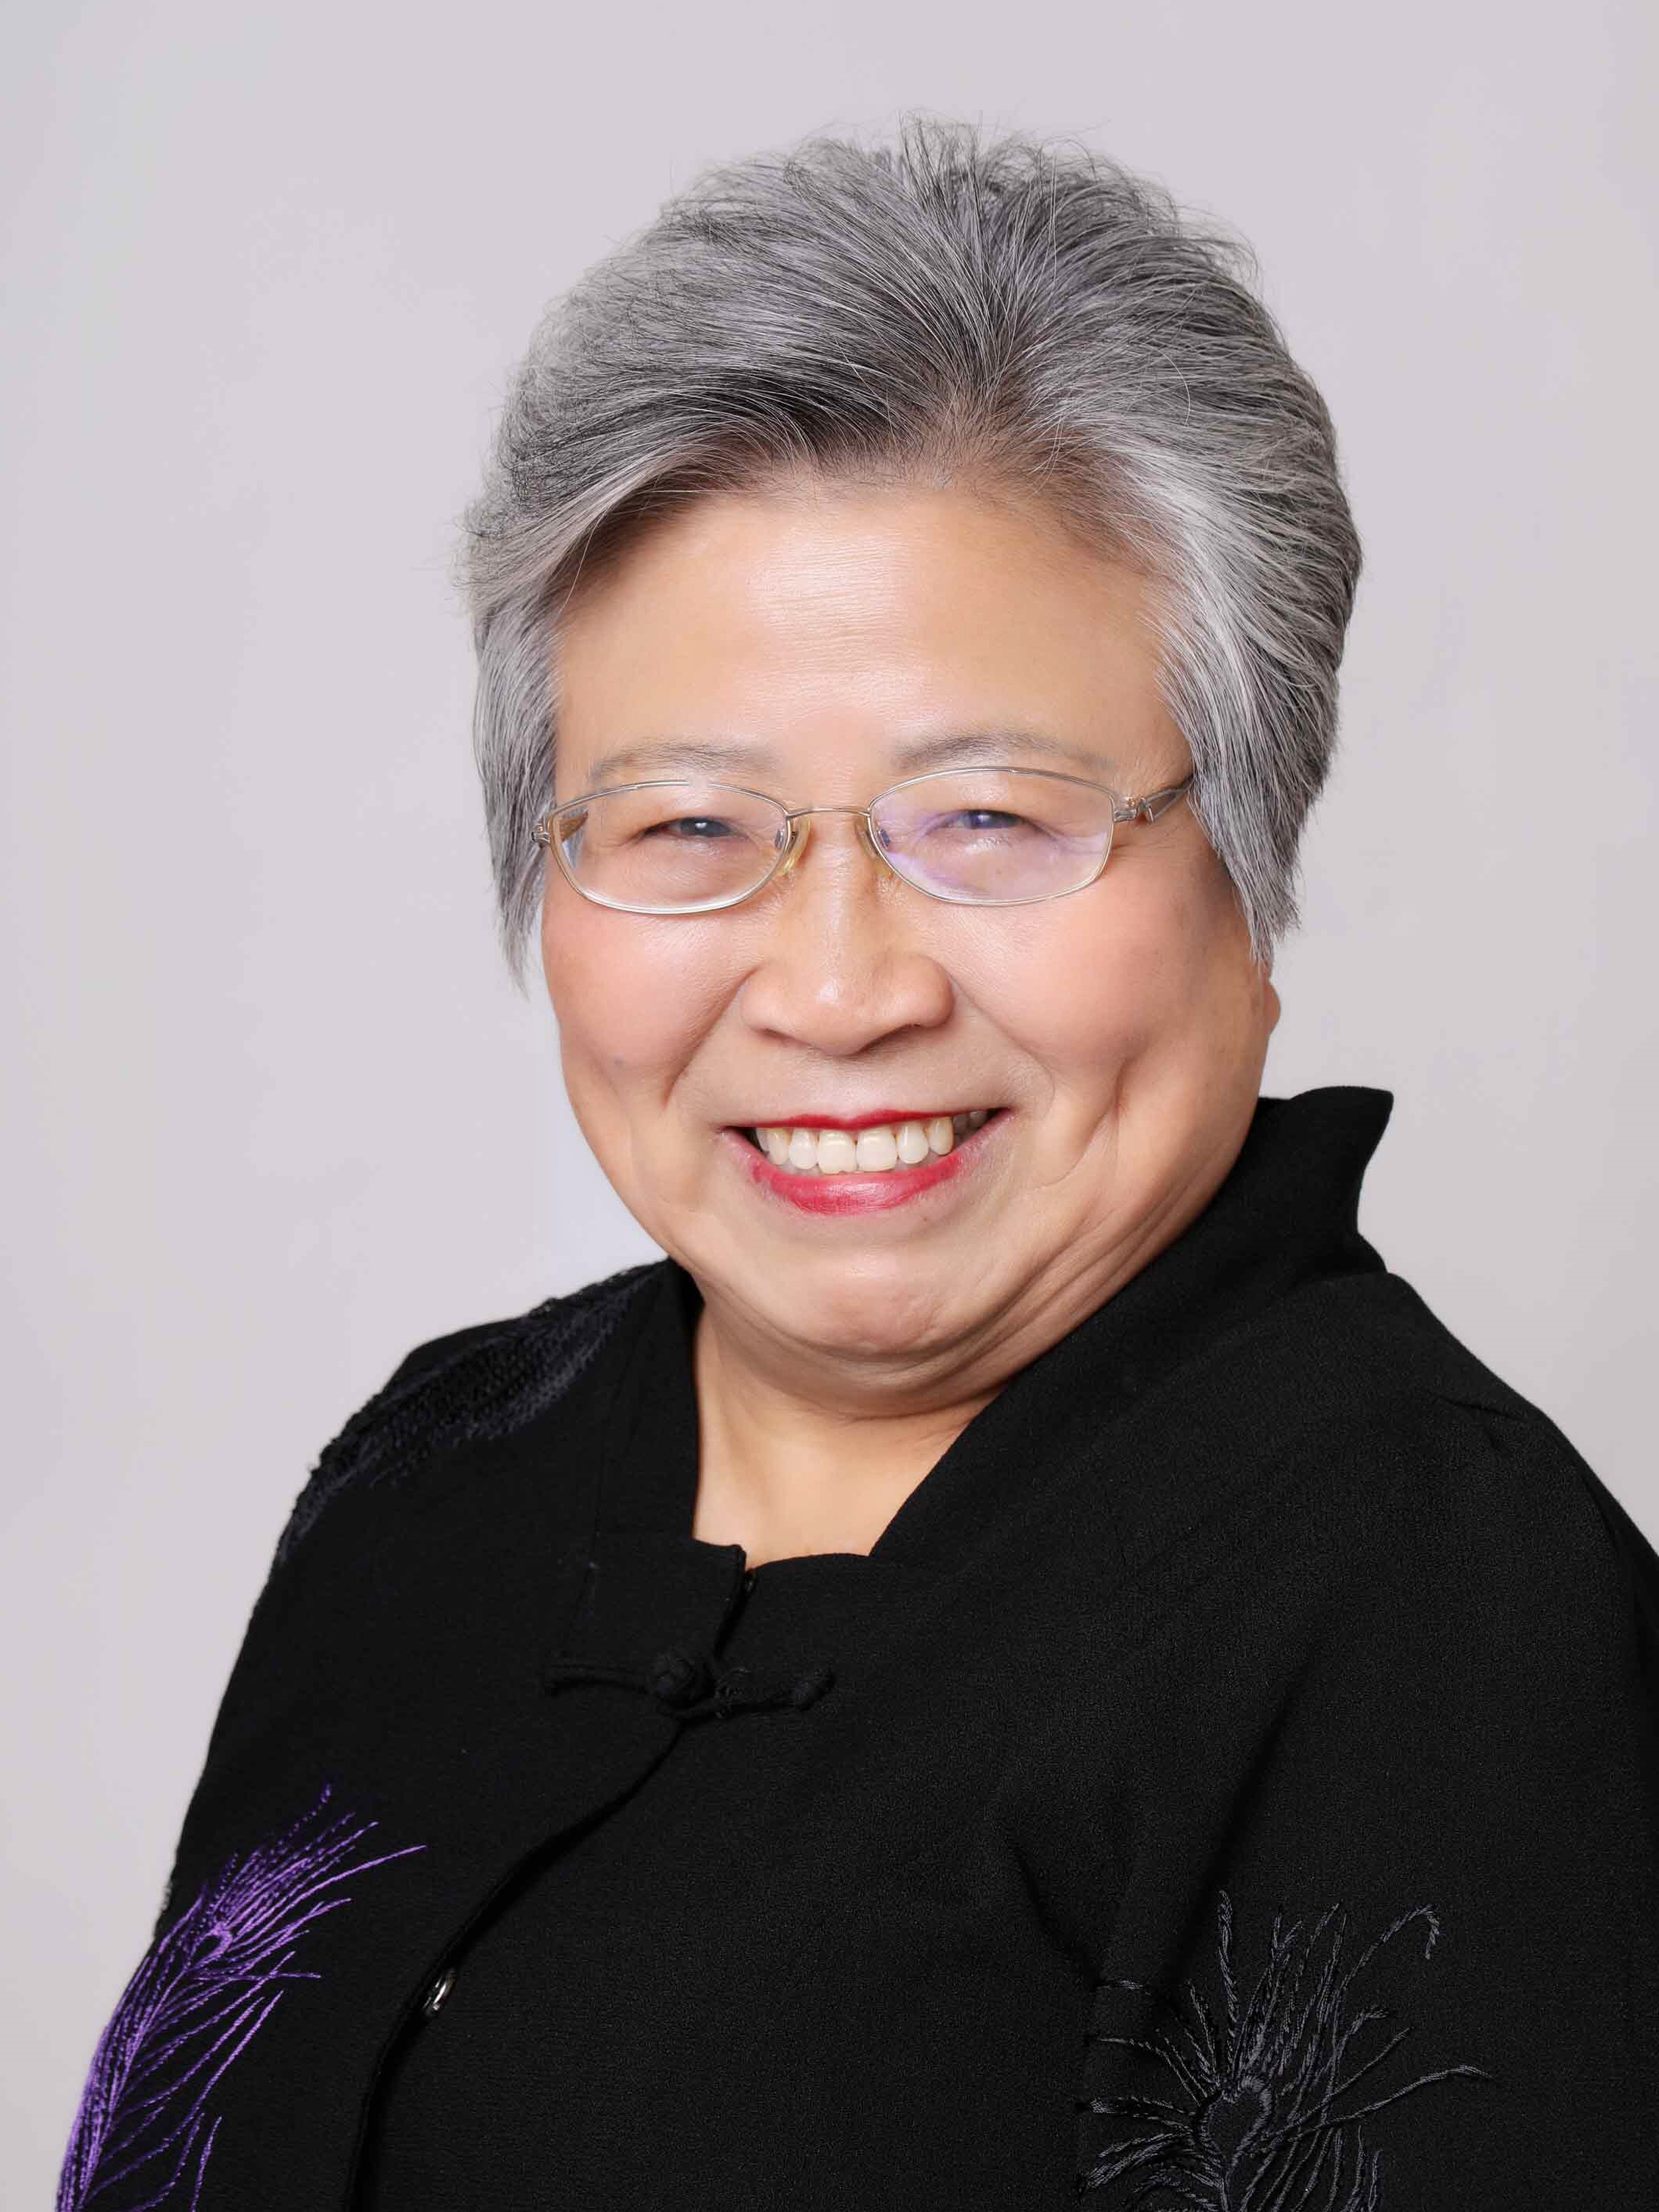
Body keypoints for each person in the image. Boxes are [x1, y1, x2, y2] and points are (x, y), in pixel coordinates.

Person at [57, 116, 1658, 2212]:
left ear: (1245, 865)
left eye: (988, 817)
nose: (834, 987)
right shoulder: (440, 1469)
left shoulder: (1429, 1601)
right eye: (684, 826)